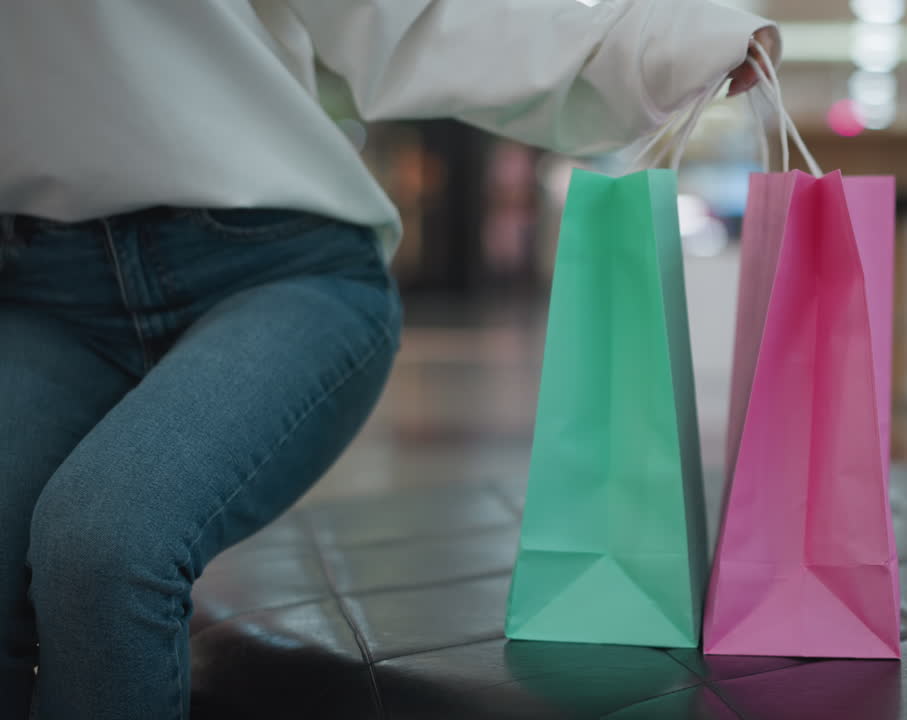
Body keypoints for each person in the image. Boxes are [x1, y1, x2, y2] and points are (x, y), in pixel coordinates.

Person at [0, 1, 781, 718]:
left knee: (102, 544)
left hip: (276, 266)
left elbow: (415, 19)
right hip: (42, 285)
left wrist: (658, 46)